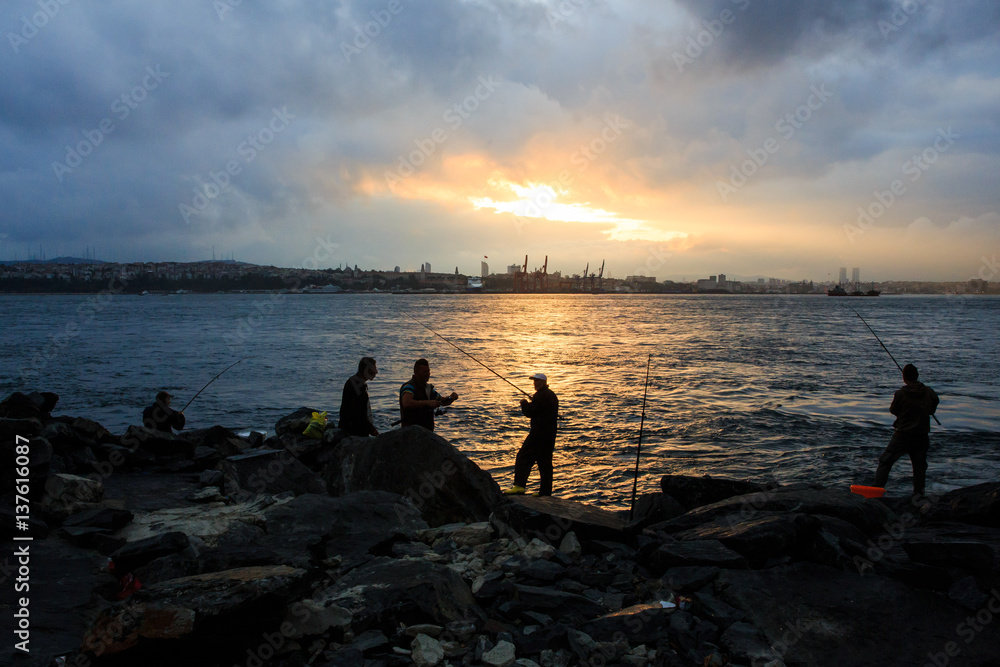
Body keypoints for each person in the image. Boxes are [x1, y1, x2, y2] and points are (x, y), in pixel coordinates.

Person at [874, 363, 940, 498]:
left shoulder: (901, 394)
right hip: (921, 435)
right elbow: (934, 403)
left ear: (904, 378)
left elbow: (893, 410)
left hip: (902, 435)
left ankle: (875, 492)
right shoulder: (929, 391)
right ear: (917, 376)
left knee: (885, 462)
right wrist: (929, 410)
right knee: (919, 467)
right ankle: (919, 496)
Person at [504, 372, 559, 496]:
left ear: (544, 383)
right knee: (545, 462)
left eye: (538, 382)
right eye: (534, 381)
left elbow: (530, 412)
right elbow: (542, 408)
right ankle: (545, 492)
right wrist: (533, 401)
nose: (535, 384)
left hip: (538, 434)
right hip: (550, 434)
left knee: (523, 457)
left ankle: (519, 486)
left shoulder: (540, 396)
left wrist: (524, 403)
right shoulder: (551, 395)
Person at [399, 358, 458, 432]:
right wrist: (428, 403)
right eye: (424, 372)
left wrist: (451, 398)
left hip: (427, 431)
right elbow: (406, 403)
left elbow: (442, 401)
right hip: (411, 432)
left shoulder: (428, 389)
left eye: (428, 371)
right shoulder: (409, 387)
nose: (428, 374)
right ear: (416, 373)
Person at [339, 357, 379, 437]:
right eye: (374, 369)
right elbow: (360, 415)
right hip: (354, 433)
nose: (376, 372)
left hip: (347, 429)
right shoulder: (359, 387)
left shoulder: (352, 381)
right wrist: (373, 431)